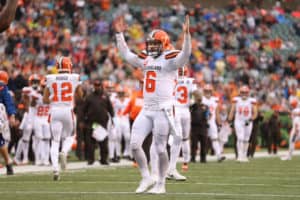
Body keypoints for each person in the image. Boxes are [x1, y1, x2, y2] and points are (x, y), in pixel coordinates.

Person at [114, 15, 191, 194]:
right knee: (134, 145)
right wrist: (119, 35)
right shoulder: (146, 58)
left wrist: (187, 36)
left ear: (164, 44)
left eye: (156, 44)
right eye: (151, 44)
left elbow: (185, 54)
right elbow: (126, 55)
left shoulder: (171, 59)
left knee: (160, 148)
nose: (152, 47)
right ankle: (146, 177)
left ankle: (161, 183)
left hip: (163, 109)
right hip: (147, 109)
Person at [43, 56, 83, 180]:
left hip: (54, 111)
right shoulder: (74, 77)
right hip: (67, 111)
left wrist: (55, 98)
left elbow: (45, 100)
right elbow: (80, 96)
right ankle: (64, 152)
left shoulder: (50, 78)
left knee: (54, 141)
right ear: (69, 66)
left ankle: (55, 169)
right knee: (70, 136)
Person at [167, 66, 196, 181]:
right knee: (184, 138)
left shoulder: (171, 80)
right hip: (186, 111)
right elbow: (196, 95)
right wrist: (194, 102)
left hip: (175, 110)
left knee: (176, 138)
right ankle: (184, 162)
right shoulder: (190, 81)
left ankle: (170, 168)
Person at [83, 79, 114, 165]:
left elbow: (110, 108)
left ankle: (104, 159)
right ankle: (91, 159)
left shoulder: (105, 96)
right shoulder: (89, 97)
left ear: (101, 86)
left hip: (102, 122)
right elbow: (84, 109)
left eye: (98, 85)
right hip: (92, 122)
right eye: (96, 85)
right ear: (94, 86)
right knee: (91, 141)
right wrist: (83, 120)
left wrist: (112, 118)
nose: (97, 87)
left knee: (103, 141)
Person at [14, 74, 41, 165]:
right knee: (25, 138)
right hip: (29, 115)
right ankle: (23, 158)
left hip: (37, 116)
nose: (35, 83)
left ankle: (38, 157)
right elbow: (25, 97)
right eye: (33, 81)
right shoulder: (27, 89)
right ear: (30, 82)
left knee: (37, 137)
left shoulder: (40, 90)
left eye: (36, 81)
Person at [228, 85, 258, 162]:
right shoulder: (236, 100)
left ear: (248, 93)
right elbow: (232, 111)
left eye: (245, 92)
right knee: (240, 138)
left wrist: (251, 119)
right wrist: (229, 120)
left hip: (248, 121)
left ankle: (244, 155)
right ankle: (240, 155)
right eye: (242, 92)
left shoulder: (252, 101)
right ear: (240, 93)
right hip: (239, 121)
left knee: (246, 139)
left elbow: (255, 113)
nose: (244, 94)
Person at [202, 83, 225, 162]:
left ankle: (219, 155)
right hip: (202, 122)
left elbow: (217, 112)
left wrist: (219, 122)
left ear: (212, 91)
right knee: (202, 139)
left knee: (215, 138)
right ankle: (199, 156)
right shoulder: (201, 99)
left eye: (209, 91)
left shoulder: (215, 99)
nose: (208, 92)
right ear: (204, 91)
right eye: (206, 91)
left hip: (211, 122)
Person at [0, 70, 16, 175]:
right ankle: (8, 162)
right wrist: (12, 115)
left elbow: (7, 101)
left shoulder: (2, 86)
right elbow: (8, 101)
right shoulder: (3, 86)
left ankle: (8, 162)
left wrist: (12, 114)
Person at [190, 90, 209, 163]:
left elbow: (207, 116)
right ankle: (193, 157)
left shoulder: (205, 106)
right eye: (197, 96)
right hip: (194, 127)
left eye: (200, 96)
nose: (199, 98)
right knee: (194, 144)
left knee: (204, 144)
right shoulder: (193, 106)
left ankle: (203, 158)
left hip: (203, 127)